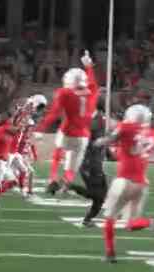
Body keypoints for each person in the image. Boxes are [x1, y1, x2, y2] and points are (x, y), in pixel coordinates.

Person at [95, 104, 154, 264]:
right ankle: (149, 222)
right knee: (131, 224)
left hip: (124, 181)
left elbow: (111, 139)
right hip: (142, 184)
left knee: (109, 218)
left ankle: (110, 253)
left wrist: (98, 142)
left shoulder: (126, 126)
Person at [36, 51, 99, 195]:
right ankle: (66, 182)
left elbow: (54, 113)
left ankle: (52, 178)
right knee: (71, 165)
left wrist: (42, 128)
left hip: (67, 131)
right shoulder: (92, 91)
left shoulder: (65, 92)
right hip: (83, 135)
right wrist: (89, 66)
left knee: (58, 151)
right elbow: (93, 83)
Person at [67, 102, 109, 227]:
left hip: (95, 163)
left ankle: (88, 219)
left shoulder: (97, 121)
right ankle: (71, 186)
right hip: (89, 164)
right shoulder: (94, 122)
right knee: (96, 195)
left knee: (101, 196)